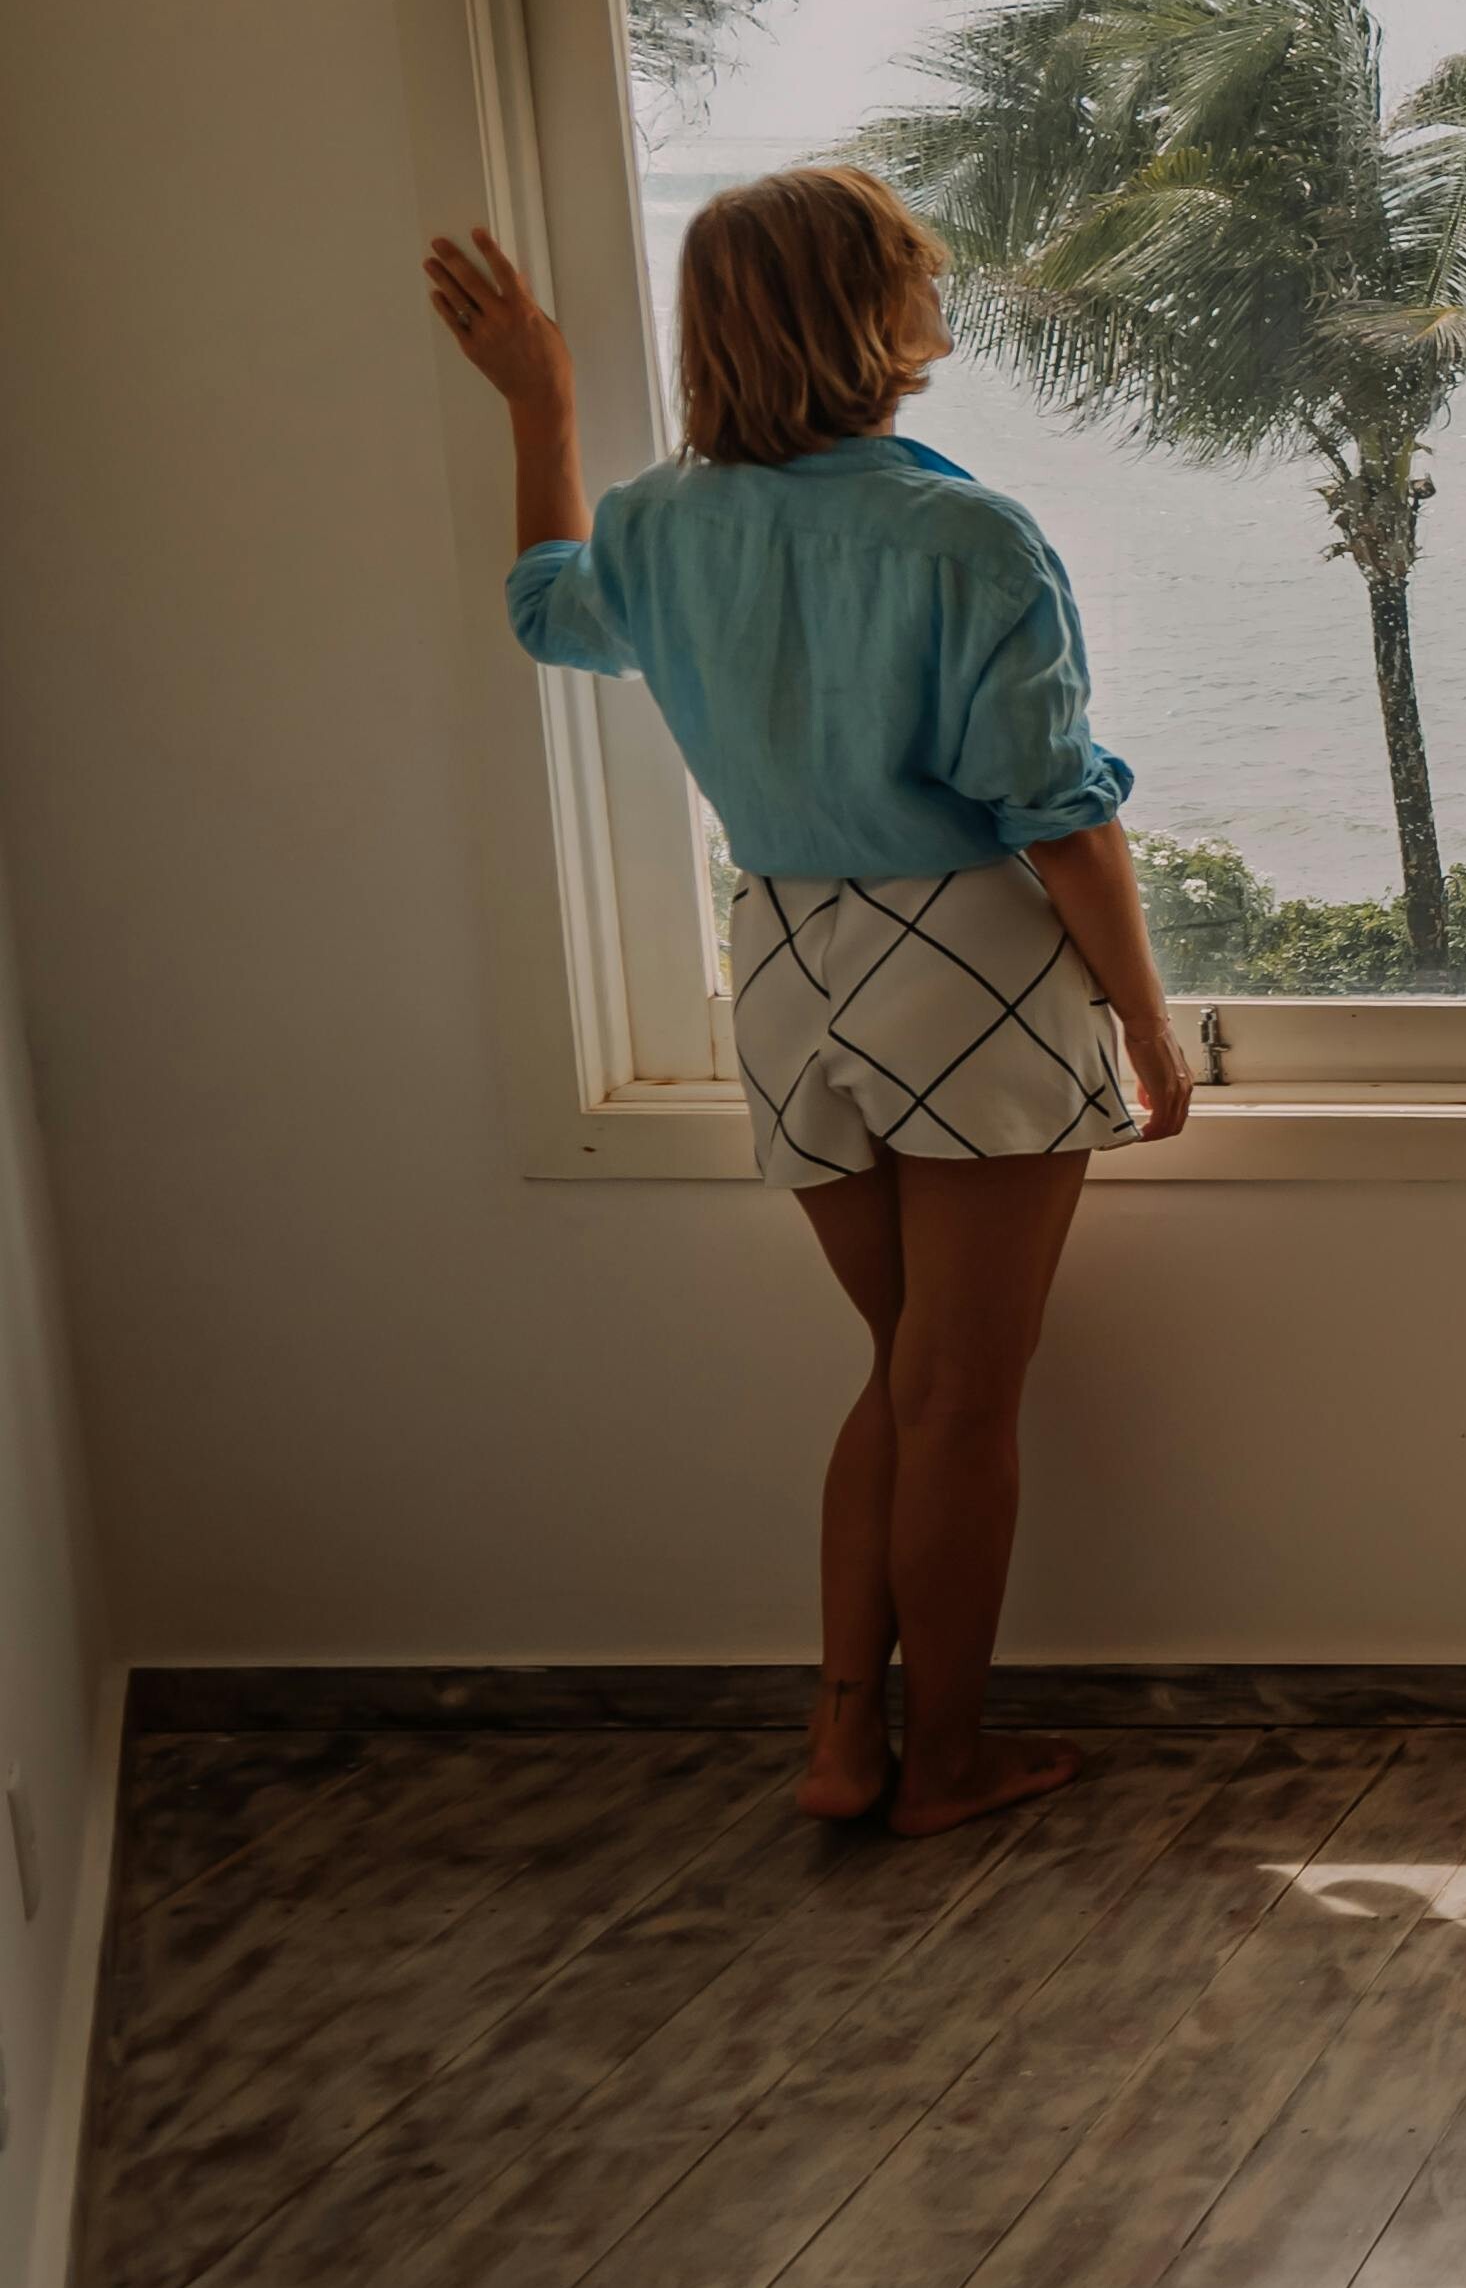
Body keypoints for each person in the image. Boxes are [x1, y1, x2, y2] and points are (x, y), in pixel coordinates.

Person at [425, 169, 1191, 1837]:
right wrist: (1144, 1021)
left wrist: (540, 406)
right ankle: (952, 1765)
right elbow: (1053, 808)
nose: (937, 290)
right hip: (962, 965)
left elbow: (548, 609)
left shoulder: (658, 522)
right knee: (961, 1399)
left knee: (900, 1370)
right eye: (918, 266)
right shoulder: (963, 533)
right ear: (875, 312)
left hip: (779, 959)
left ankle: (848, 1746)